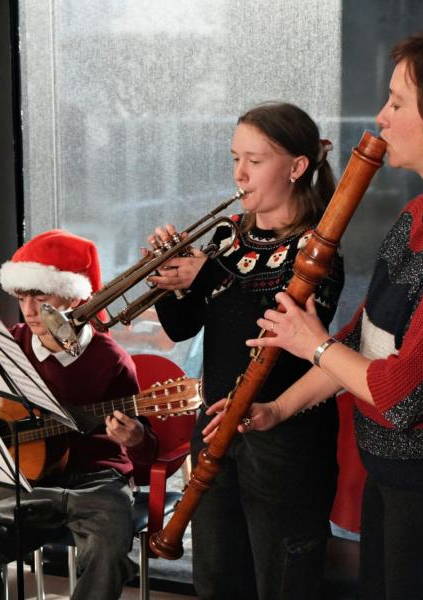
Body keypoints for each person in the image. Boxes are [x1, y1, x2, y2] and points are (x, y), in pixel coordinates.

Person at [222, 31, 423, 599]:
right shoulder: (421, 212)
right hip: (399, 478)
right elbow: (365, 340)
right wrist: (278, 406)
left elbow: (406, 394)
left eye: (397, 102)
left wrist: (313, 344)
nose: (381, 115)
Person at [147, 102, 345, 600]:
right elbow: (183, 325)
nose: (239, 173)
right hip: (215, 427)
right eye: (236, 158)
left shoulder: (318, 247)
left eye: (254, 161)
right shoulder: (227, 236)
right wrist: (170, 281)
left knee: (281, 579)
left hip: (284, 438)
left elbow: (275, 319)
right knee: (216, 577)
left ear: (297, 167)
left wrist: (208, 276)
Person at [0, 229, 156, 600]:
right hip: (24, 479)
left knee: (107, 550)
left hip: (98, 480)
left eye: (41, 297)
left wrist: (137, 439)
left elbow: (146, 453)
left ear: (75, 297)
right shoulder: (5, 344)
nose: (28, 310)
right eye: (22, 297)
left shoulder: (111, 360)